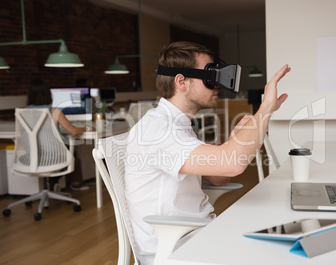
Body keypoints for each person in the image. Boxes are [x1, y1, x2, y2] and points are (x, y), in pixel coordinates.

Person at [125, 41, 290, 264]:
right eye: (210, 76)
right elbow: (232, 165)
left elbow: (218, 177)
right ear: (181, 82)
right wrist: (266, 108)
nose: (217, 85)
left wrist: (236, 139)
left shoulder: (178, 125)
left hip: (197, 235)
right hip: (176, 248)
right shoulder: (159, 129)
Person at [26, 78, 90, 190]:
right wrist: (86, 128)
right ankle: (53, 180)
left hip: (31, 156)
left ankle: (52, 183)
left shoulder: (25, 112)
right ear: (48, 94)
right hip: (52, 157)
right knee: (72, 153)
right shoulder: (54, 111)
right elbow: (73, 131)